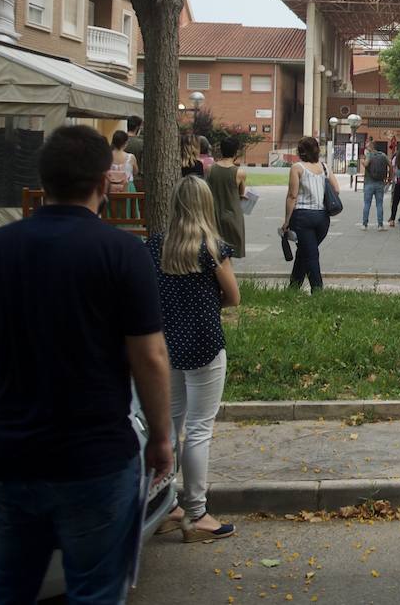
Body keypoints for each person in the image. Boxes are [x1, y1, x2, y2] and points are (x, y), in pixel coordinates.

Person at [0, 125, 173, 602]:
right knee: (94, 590)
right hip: (93, 458)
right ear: (103, 183)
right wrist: (160, 436)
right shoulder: (123, 254)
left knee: (7, 586)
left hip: (7, 457)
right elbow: (149, 357)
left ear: (43, 181)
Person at [147, 176, 240, 543]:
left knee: (170, 424)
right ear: (205, 205)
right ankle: (197, 512)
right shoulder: (211, 248)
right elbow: (233, 297)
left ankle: (167, 504)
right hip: (204, 342)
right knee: (200, 428)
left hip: (166, 344)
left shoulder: (154, 246)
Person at [281, 136, 338, 292]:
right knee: (306, 251)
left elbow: (292, 196)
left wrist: (286, 221)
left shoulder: (297, 168)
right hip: (322, 218)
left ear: (300, 151)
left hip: (302, 216)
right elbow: (337, 189)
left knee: (310, 253)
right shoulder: (325, 167)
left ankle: (317, 289)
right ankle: (293, 287)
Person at [205, 136, 247, 258]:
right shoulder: (240, 173)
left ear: (221, 150)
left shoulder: (210, 169)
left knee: (214, 251)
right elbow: (241, 194)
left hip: (212, 214)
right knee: (229, 253)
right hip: (232, 215)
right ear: (236, 152)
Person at [361, 140, 391, 230]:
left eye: (367, 147)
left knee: (367, 204)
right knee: (379, 204)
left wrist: (362, 160)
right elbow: (391, 166)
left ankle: (364, 224)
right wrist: (390, 177)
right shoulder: (383, 155)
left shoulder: (369, 155)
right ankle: (380, 225)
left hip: (369, 183)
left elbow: (366, 164)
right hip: (380, 183)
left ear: (371, 147)